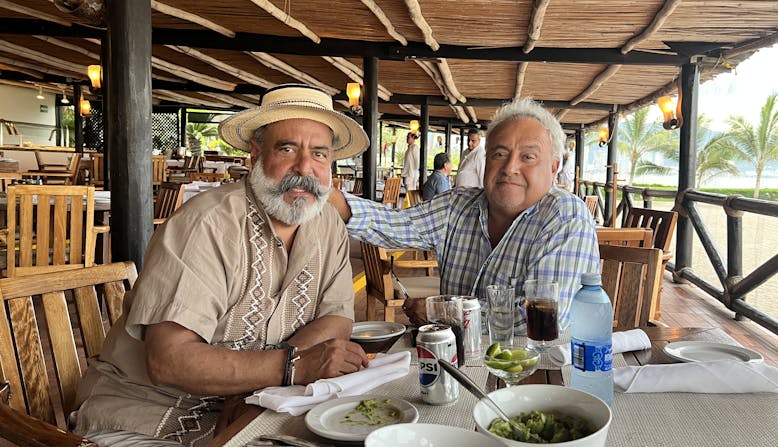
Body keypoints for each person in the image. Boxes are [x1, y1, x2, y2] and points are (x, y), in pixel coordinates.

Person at [73, 84, 370, 447]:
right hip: (143, 415)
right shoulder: (207, 224)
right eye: (287, 148)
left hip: (255, 406)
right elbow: (169, 360)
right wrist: (290, 369)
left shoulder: (327, 224)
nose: (304, 168)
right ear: (256, 153)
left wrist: (261, 381)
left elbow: (336, 318)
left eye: (319, 154)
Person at [329, 98, 599, 333]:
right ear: (485, 161)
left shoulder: (566, 216)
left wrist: (443, 312)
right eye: (499, 154)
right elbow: (395, 224)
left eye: (528, 157)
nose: (510, 167)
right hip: (457, 360)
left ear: (553, 168)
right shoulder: (457, 205)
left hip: (536, 371)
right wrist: (326, 196)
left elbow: (540, 317)